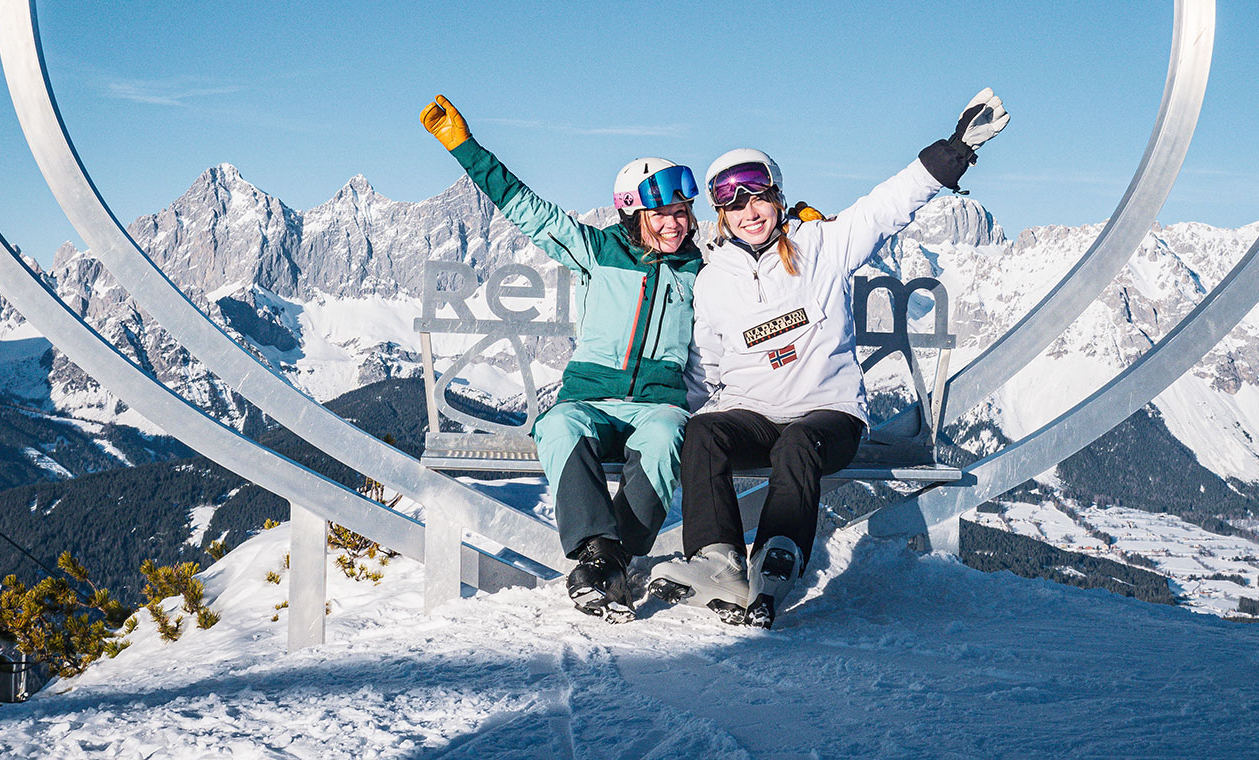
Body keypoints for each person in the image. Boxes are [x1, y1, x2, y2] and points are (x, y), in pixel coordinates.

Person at [649, 89, 1010, 628]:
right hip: (753, 412)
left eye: (758, 197)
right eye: (733, 203)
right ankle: (718, 560)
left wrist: (954, 150)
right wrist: (659, 416)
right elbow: (705, 370)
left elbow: (889, 205)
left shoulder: (823, 244)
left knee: (798, 445)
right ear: (719, 214)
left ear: (776, 196)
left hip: (828, 415)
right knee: (704, 435)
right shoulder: (714, 279)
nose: (749, 212)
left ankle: (776, 560)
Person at [420, 95, 703, 620]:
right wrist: (465, 148)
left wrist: (800, 224)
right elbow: (528, 209)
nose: (675, 224)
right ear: (633, 213)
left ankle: (609, 564)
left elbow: (760, 247)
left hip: (656, 405)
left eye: (682, 213)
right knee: (557, 426)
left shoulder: (701, 270)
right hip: (592, 398)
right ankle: (602, 555)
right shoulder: (597, 250)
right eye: (662, 214)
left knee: (667, 436)